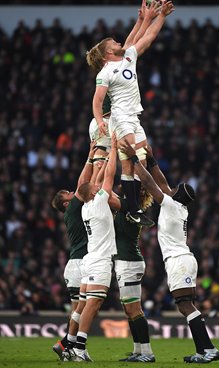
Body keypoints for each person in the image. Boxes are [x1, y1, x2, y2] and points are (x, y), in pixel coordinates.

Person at [120, 141, 219, 364]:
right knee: (185, 305)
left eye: (175, 190)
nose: (171, 189)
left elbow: (150, 183)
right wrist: (152, 158)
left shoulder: (172, 205)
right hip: (183, 259)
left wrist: (134, 160)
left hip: (179, 260)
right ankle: (204, 350)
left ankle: (209, 349)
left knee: (185, 305)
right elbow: (162, 182)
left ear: (178, 196)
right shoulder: (177, 206)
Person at [86, 0, 174, 227]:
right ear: (107, 53)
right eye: (113, 42)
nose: (119, 42)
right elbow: (97, 101)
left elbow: (146, 37)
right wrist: (99, 120)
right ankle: (133, 209)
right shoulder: (106, 72)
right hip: (120, 118)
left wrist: (161, 16)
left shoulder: (128, 57)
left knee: (142, 159)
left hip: (134, 117)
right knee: (129, 163)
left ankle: (134, 204)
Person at [64, 134, 117, 362]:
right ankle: (79, 346)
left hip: (89, 260)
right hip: (99, 260)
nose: (98, 189)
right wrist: (112, 150)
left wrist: (96, 159)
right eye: (95, 189)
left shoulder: (86, 206)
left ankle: (70, 344)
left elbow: (92, 184)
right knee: (93, 303)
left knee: (85, 304)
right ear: (93, 193)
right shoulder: (98, 202)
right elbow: (109, 176)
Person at [51, 141, 96, 360]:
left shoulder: (75, 213)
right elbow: (82, 185)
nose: (72, 193)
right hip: (79, 263)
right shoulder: (72, 211)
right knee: (84, 307)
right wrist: (91, 156)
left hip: (76, 263)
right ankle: (70, 344)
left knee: (80, 308)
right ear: (66, 204)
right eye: (67, 194)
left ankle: (67, 345)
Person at [110, 186, 155, 363]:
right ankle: (138, 350)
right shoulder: (130, 208)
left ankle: (148, 352)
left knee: (134, 309)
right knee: (129, 310)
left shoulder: (126, 207)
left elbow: (107, 195)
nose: (120, 185)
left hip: (129, 263)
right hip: (127, 261)